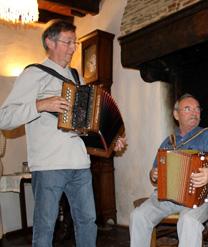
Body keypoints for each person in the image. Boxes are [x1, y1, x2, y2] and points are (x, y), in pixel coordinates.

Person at [0, 19, 125, 247]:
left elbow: (88, 124)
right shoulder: (33, 74)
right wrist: (40, 105)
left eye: (74, 43)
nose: (72, 48)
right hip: (49, 166)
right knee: (45, 226)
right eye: (68, 42)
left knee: (87, 221)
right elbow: (4, 118)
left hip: (80, 163)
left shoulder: (77, 77)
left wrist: (111, 140)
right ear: (50, 42)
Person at [129, 93, 208, 247]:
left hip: (200, 196)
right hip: (169, 197)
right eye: (188, 109)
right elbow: (154, 173)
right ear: (176, 115)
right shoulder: (168, 141)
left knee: (189, 220)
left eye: (197, 109)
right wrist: (153, 175)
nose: (194, 112)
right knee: (138, 216)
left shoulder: (207, 135)